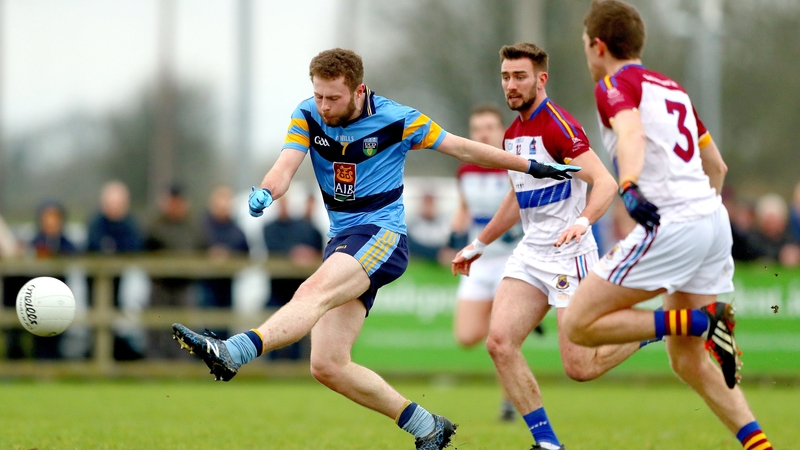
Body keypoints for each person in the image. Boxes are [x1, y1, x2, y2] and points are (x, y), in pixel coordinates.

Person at [171, 47, 578, 450]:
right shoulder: (307, 114)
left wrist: (531, 166)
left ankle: (233, 351)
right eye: (319, 96)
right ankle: (427, 426)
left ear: (358, 90)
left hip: (382, 235)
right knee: (328, 365)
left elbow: (464, 148)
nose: (325, 106)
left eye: (333, 98)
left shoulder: (398, 119)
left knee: (313, 292)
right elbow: (285, 167)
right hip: (343, 241)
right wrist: (267, 191)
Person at [562, 2, 774, 450]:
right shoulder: (671, 87)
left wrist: (631, 185)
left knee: (578, 325)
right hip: (712, 220)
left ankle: (701, 320)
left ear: (599, 46)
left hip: (671, 221)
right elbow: (716, 163)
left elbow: (631, 133)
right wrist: (703, 222)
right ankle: (759, 444)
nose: (586, 53)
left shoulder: (613, 84)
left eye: (585, 44)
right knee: (687, 361)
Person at [451, 43, 640, 450]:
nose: (511, 84)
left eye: (520, 76)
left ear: (541, 79)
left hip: (568, 255)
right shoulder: (512, 132)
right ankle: (548, 443)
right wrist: (478, 244)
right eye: (505, 76)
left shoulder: (558, 125)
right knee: (499, 343)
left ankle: (647, 330)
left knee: (579, 368)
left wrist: (583, 221)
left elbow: (605, 183)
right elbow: (516, 197)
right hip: (530, 254)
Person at [449, 104, 527, 423]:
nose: (483, 133)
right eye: (477, 128)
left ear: (502, 131)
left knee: (501, 338)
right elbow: (464, 209)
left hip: (513, 260)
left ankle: (509, 402)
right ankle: (519, 325)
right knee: (466, 337)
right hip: (479, 263)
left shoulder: (515, 167)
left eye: (489, 127)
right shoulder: (465, 171)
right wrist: (452, 237)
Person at [262, 193, 324, 361]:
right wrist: (295, 254)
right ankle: (272, 366)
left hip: (296, 288)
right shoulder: (269, 228)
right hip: (277, 288)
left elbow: (316, 251)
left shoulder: (303, 227)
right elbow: (275, 249)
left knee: (297, 330)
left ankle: (295, 365)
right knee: (273, 328)